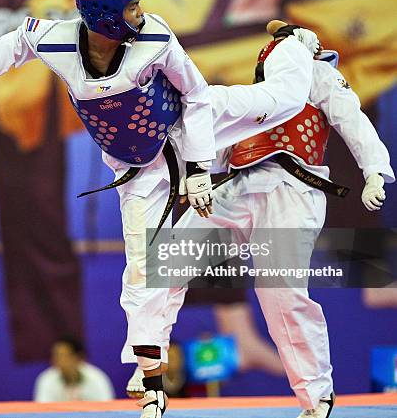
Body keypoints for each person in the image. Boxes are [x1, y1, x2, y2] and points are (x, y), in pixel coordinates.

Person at [0, 0, 319, 417]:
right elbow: (18, 41)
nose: (141, 12)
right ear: (105, 17)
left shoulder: (156, 38)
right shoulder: (59, 41)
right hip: (140, 169)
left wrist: (200, 168)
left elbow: (198, 97)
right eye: (132, 6)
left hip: (193, 125)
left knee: (284, 100)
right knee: (143, 269)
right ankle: (151, 376)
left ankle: (294, 46)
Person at [145, 24, 393, 418]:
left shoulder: (319, 73)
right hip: (237, 186)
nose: (272, 51)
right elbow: (221, 140)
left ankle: (316, 396)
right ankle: (148, 364)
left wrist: (375, 171)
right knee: (167, 259)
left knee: (280, 292)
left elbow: (353, 120)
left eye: (281, 44)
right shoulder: (257, 91)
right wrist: (194, 179)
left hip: (291, 190)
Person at [33, 337, 115, 402]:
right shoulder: (46, 379)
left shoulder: (96, 378)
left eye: (62, 356)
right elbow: (42, 411)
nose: (56, 360)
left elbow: (107, 409)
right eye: (55, 355)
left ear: (78, 357)